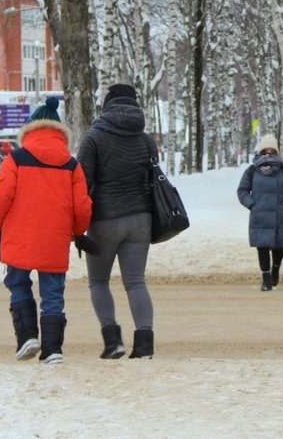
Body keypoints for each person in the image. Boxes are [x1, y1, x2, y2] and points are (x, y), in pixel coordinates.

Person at [0, 96, 93, 364]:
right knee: (53, 294)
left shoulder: (16, 158)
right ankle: (52, 349)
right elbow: (82, 207)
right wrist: (77, 231)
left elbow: (0, 197)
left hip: (19, 236)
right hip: (55, 240)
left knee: (18, 282)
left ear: (30, 129)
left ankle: (27, 338)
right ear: (59, 134)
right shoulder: (72, 165)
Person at [77, 83, 158, 359]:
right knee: (136, 282)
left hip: (105, 220)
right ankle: (145, 344)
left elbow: (81, 184)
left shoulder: (94, 137)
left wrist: (77, 226)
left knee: (99, 281)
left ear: (107, 105)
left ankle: (113, 342)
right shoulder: (145, 139)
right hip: (141, 219)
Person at [237, 134, 283, 291]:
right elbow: (242, 190)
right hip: (260, 215)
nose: (268, 154)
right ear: (260, 152)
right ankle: (266, 279)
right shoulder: (252, 170)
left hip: (278, 214)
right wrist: (252, 205)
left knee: (279, 246)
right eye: (265, 151)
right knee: (262, 247)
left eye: (272, 150)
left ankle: (275, 269)